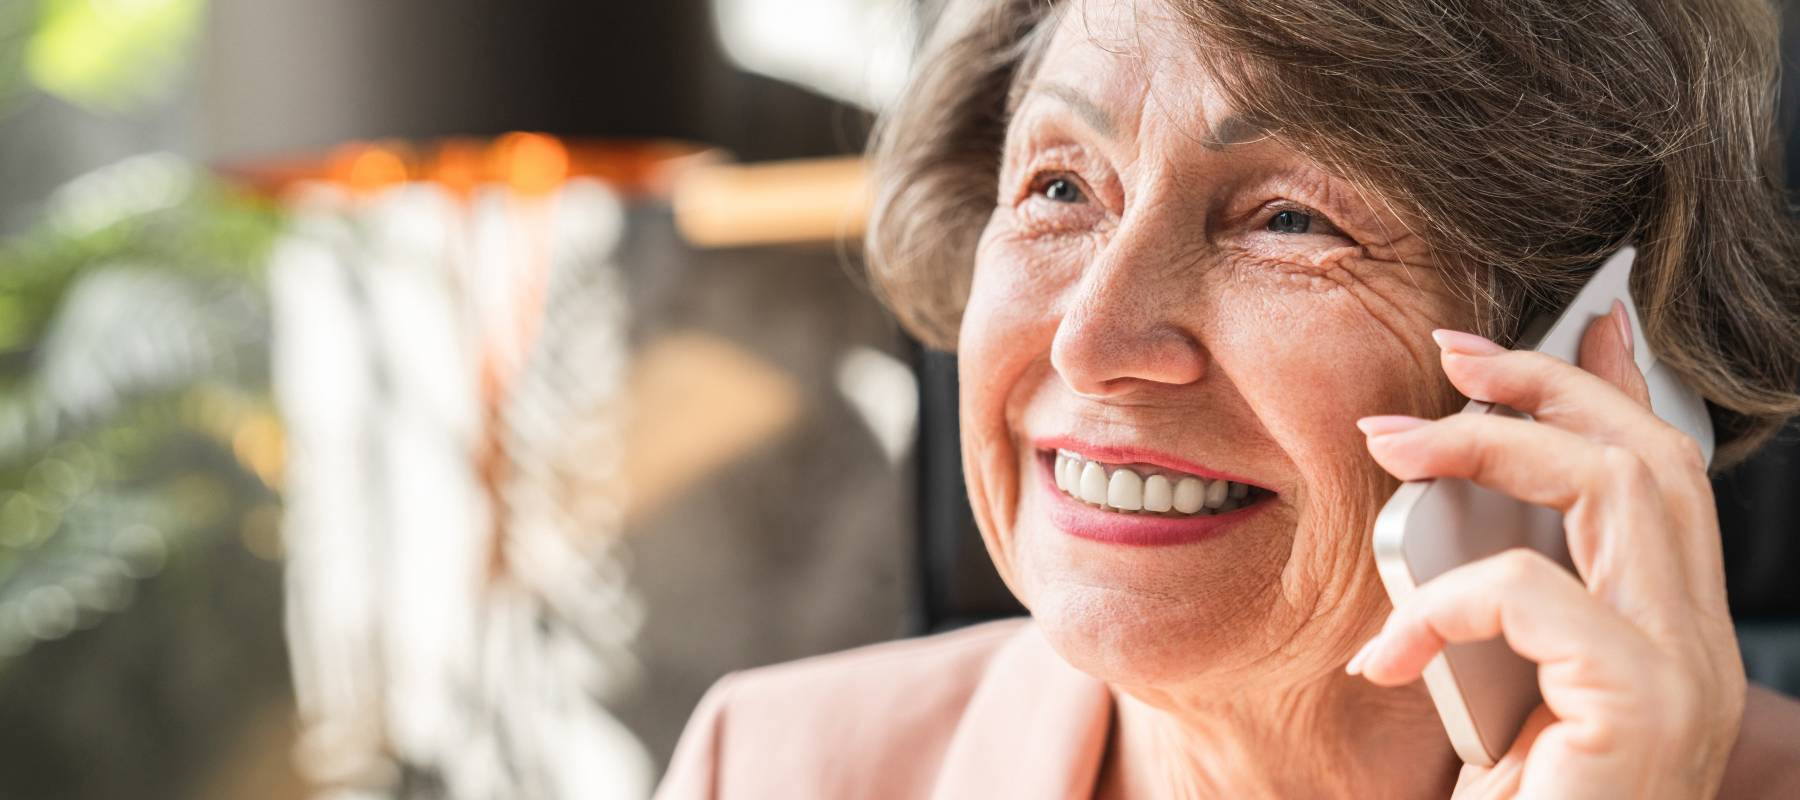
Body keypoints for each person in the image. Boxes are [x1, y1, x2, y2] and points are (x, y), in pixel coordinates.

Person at [659, 0, 1800, 796]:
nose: (1092, 340)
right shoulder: (761, 766)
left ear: (1596, 345)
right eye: (1059, 185)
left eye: (1291, 218)